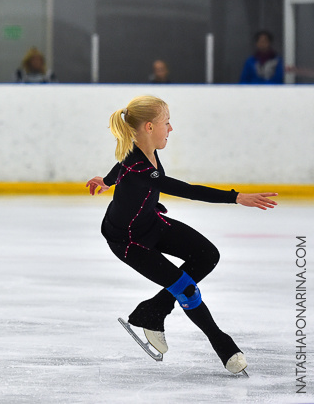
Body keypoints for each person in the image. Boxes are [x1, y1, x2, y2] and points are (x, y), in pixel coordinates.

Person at [85, 95, 277, 374]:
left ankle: (152, 311)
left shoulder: (140, 149)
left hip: (149, 223)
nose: (171, 129)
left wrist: (107, 180)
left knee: (207, 255)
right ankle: (223, 345)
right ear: (149, 127)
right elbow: (188, 190)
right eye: (167, 122)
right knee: (185, 287)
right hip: (128, 241)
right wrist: (236, 198)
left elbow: (120, 166)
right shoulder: (139, 165)